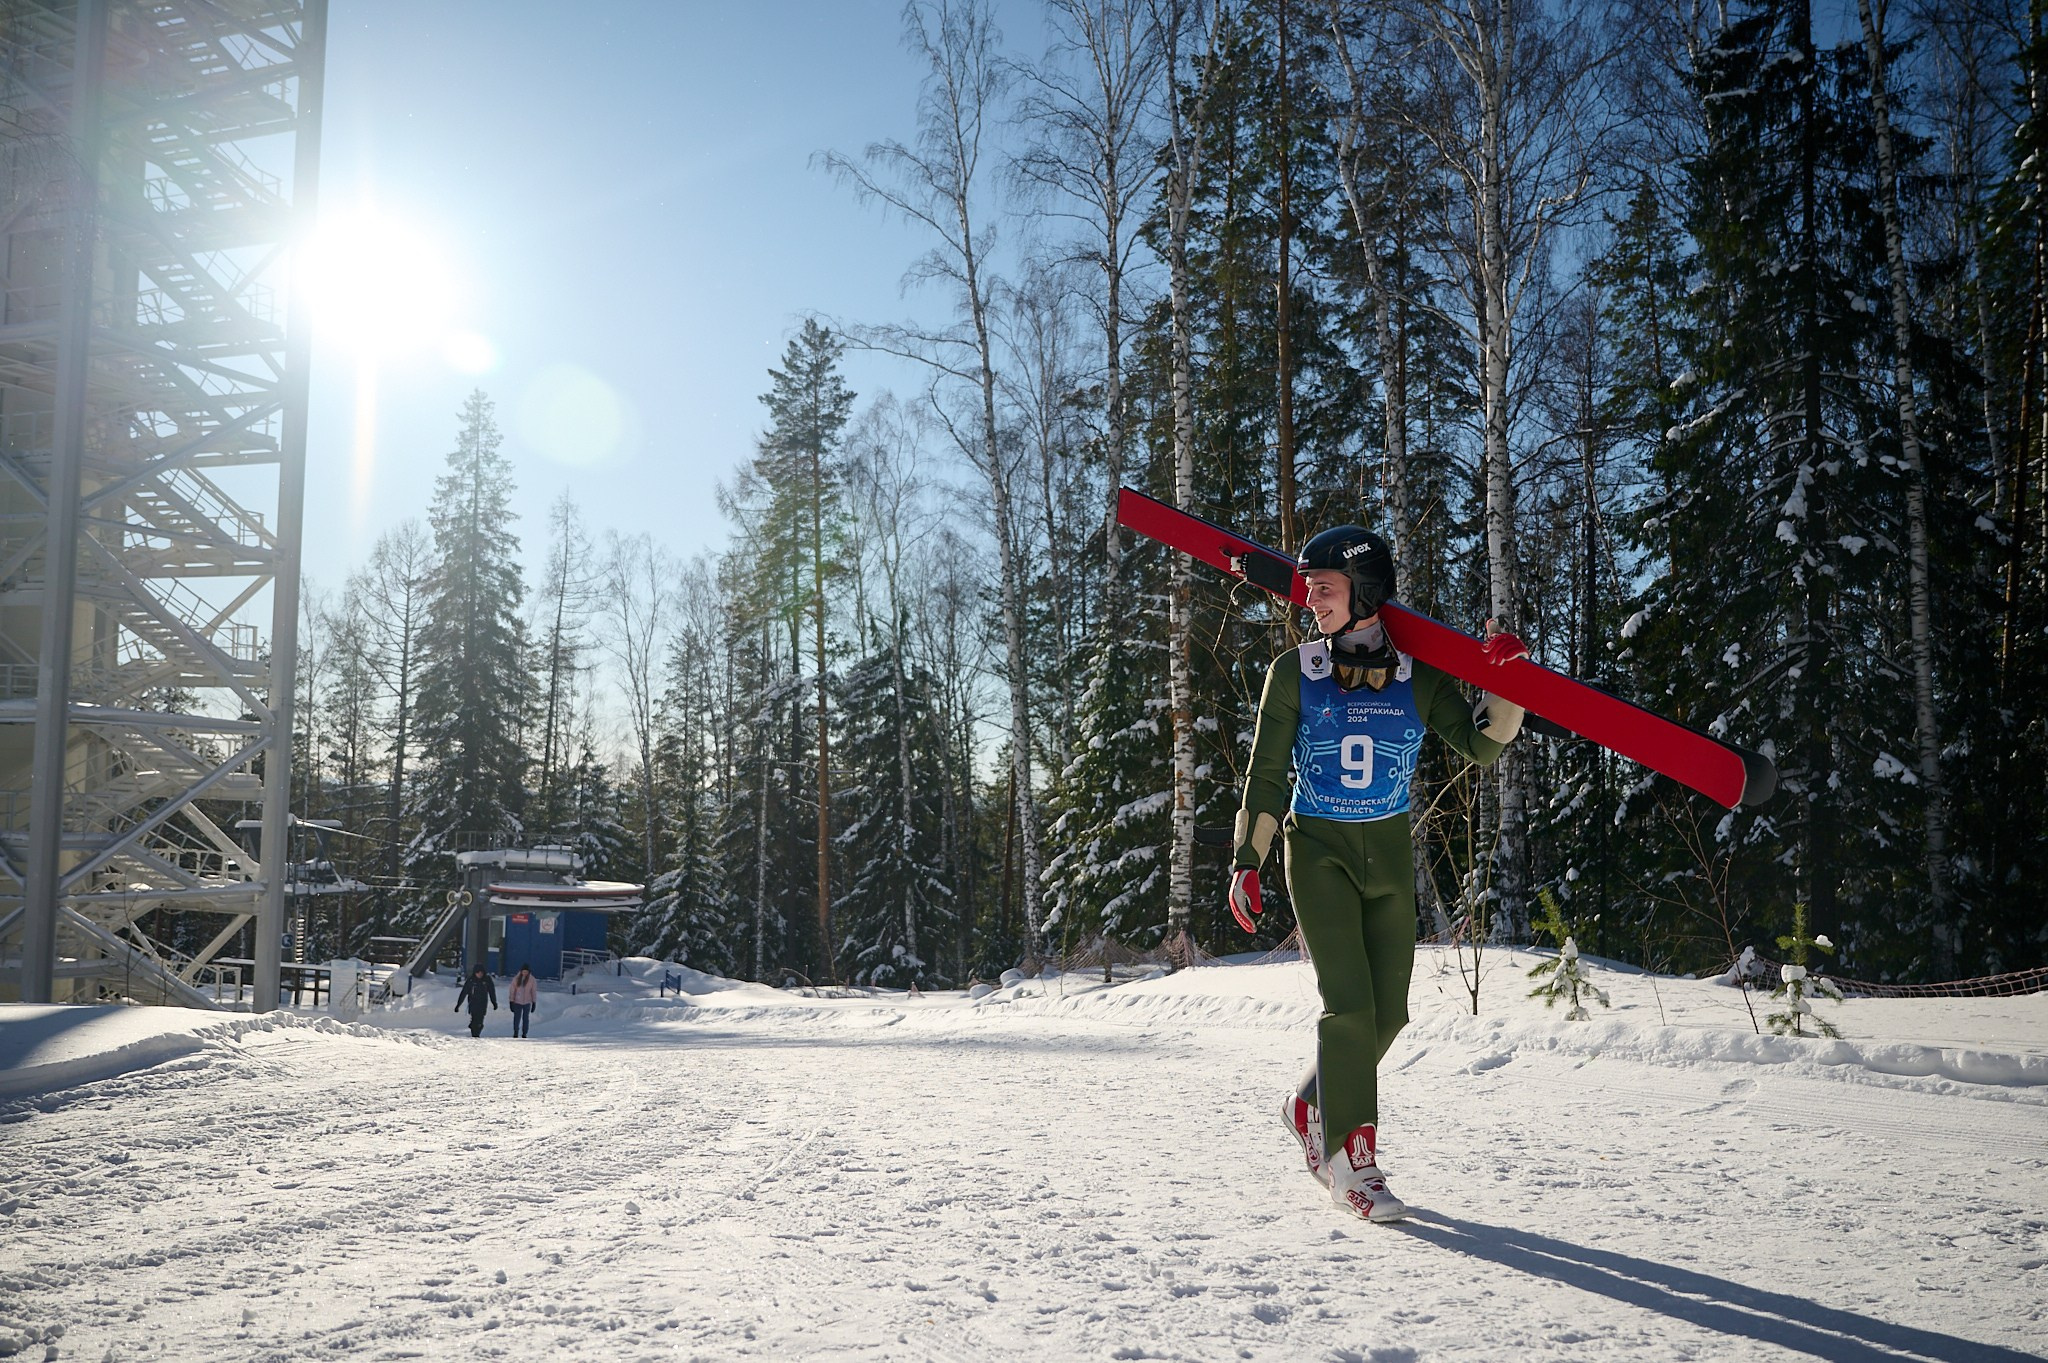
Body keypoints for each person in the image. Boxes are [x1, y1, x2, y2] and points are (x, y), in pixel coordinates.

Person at [1229, 525, 1526, 1223]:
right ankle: (1350, 1163)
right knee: (1350, 1006)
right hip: (1318, 849)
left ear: (1363, 592)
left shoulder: (1419, 675)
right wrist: (1248, 862)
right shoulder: (1294, 672)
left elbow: (1482, 744)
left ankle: (1309, 1103)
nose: (1311, 601)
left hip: (1389, 852)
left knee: (1388, 1013)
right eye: (1308, 589)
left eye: (1324, 589)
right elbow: (1266, 775)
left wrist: (1507, 682)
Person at [454, 965, 497, 1038]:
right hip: (473, 1003)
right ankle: (474, 1034)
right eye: (478, 973)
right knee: (474, 1019)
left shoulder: (487, 980)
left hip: (482, 1003)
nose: (480, 974)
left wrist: (494, 1002)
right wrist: (458, 1005)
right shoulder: (471, 980)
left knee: (480, 1021)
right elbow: (464, 993)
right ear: (475, 973)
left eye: (481, 973)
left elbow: (492, 992)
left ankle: (477, 1033)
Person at [507, 963, 538, 1038]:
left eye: (526, 972)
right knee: (517, 1018)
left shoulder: (532, 980)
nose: (525, 973)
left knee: (525, 1018)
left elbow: (533, 991)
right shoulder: (516, 979)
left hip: (527, 1002)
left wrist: (534, 1002)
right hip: (517, 1002)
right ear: (521, 971)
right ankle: (516, 1032)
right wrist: (511, 1001)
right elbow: (512, 990)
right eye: (523, 972)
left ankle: (524, 1033)